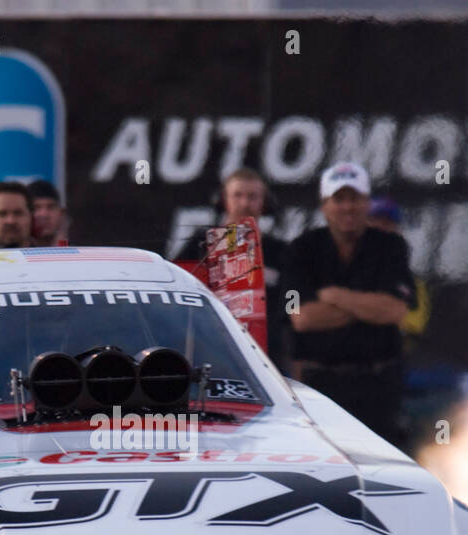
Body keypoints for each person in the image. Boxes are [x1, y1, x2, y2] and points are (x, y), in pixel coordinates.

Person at [280, 162, 417, 446]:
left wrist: (334, 296)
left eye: (354, 198)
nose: (347, 207)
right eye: (339, 199)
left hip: (378, 387)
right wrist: (367, 306)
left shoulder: (390, 246)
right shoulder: (302, 249)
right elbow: (301, 317)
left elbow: (395, 310)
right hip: (319, 387)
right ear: (324, 205)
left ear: (367, 203)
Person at [177, 168, 290, 369]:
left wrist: (292, 318)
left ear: (265, 202)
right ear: (223, 200)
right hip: (211, 348)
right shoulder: (201, 243)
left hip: (266, 356)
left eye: (253, 197)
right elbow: (177, 286)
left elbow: (293, 295)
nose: (245, 203)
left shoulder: (280, 251)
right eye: (238, 195)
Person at [368, 197, 430, 356]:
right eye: (374, 220)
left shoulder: (411, 283)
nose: (381, 228)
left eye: (387, 223)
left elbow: (410, 332)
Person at [0, 181, 35, 250]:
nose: (10, 221)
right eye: (2, 214)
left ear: (31, 218)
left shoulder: (47, 261)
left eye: (18, 213)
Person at [28, 179, 69, 246]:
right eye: (36, 207)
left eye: (51, 207)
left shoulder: (80, 254)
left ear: (62, 214)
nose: (44, 214)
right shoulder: (13, 254)